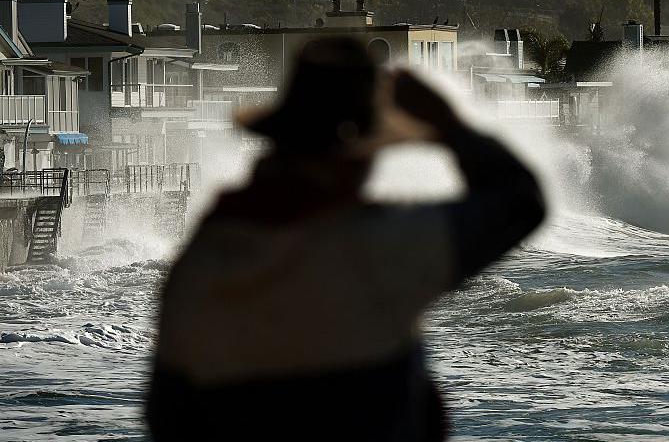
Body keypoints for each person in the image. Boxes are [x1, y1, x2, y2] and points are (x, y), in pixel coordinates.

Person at [146, 37, 546, 440]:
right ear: (359, 153)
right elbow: (519, 202)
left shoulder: (202, 257)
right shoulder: (375, 249)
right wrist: (450, 126)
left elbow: (167, 416)